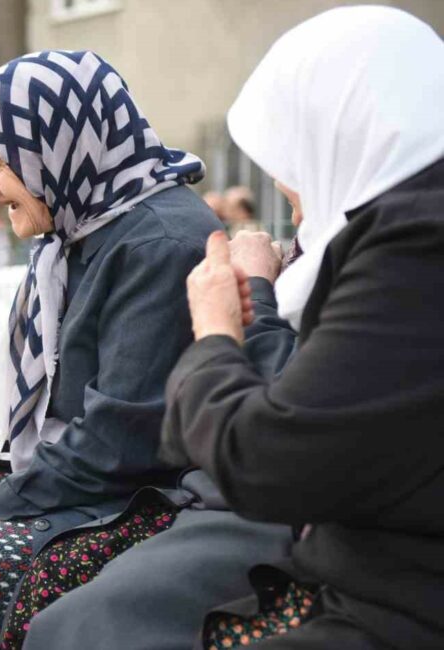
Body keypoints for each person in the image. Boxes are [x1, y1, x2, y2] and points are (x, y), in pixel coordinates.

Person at [0, 49, 217, 649]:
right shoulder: (80, 227)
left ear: (57, 148)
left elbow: (118, 439)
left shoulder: (159, 243)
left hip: (142, 495)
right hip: (74, 478)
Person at [161, 7, 444, 648]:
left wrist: (215, 326)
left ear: (339, 130)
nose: (283, 182)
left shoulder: (416, 245)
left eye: (288, 152)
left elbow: (266, 460)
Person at [22, 229, 297, 650]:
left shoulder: (159, 240)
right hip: (212, 492)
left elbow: (123, 436)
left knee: (28, 592)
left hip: (262, 513)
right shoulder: (73, 239)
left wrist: (234, 315)